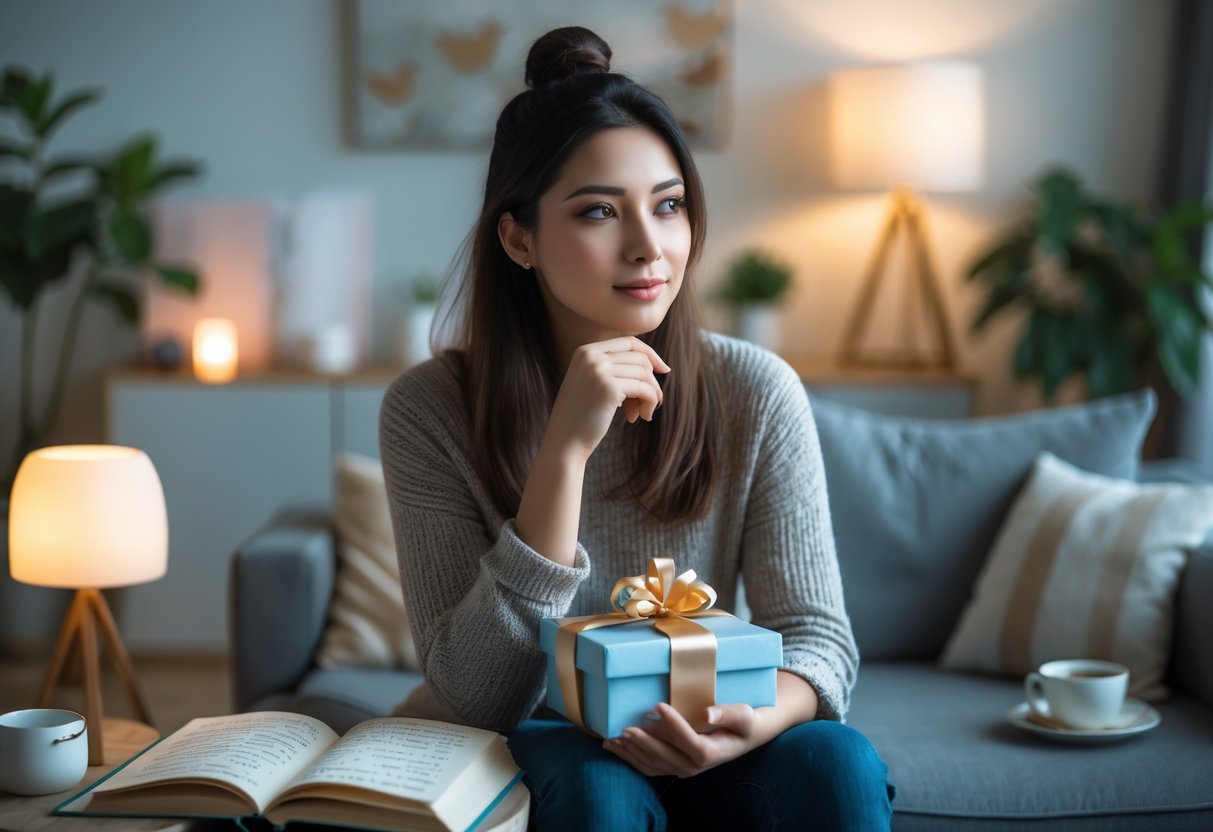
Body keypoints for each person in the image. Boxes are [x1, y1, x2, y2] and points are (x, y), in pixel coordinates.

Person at [379, 25, 894, 831]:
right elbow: (477, 696)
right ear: (518, 237)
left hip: (717, 724)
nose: (648, 248)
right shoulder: (429, 408)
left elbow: (816, 640)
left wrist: (748, 724)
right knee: (598, 791)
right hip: (549, 740)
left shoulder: (753, 389)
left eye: (669, 205)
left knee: (837, 759)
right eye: (596, 212)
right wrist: (565, 449)